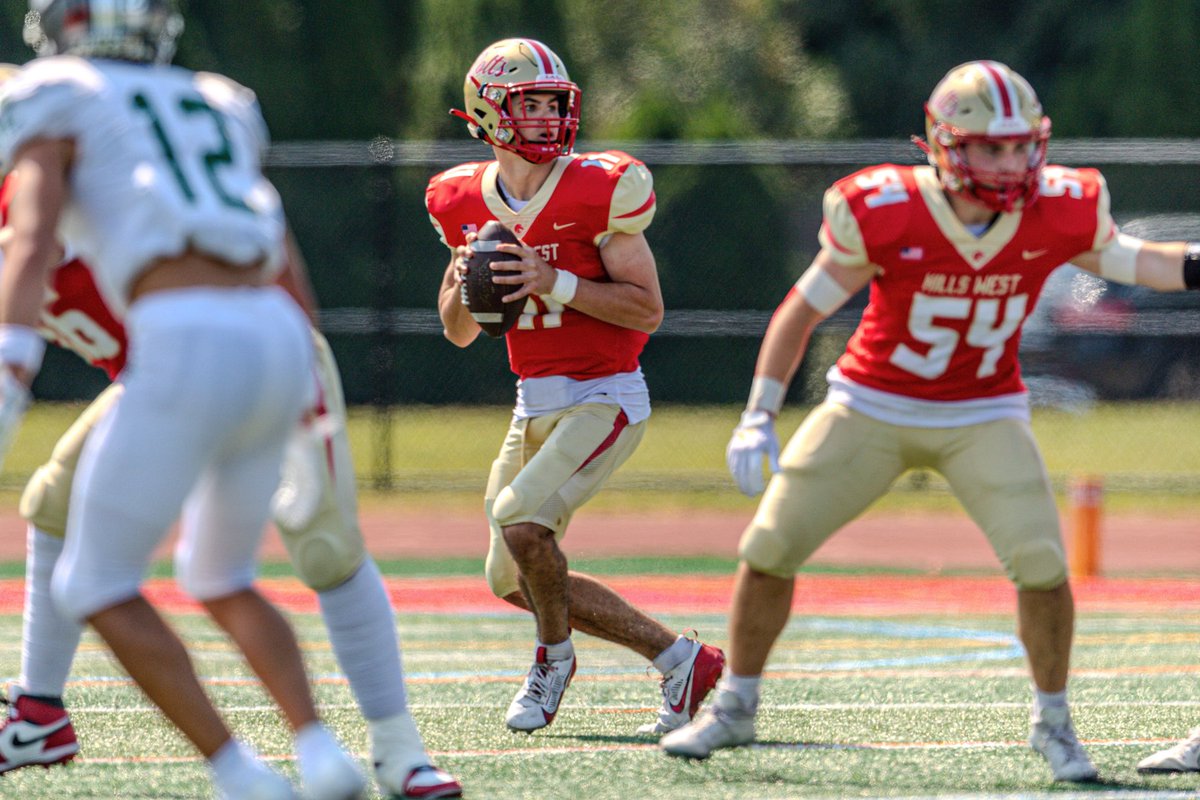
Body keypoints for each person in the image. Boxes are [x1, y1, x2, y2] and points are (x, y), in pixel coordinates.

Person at [660, 59, 1200, 782]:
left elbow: (1141, 263)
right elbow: (802, 309)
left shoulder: (1060, 204)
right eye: (990, 147)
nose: (1010, 164)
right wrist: (758, 413)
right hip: (872, 402)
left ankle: (1054, 722)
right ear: (944, 145)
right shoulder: (886, 206)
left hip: (984, 409)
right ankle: (736, 704)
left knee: (1042, 563)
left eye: (1020, 146)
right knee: (770, 543)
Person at [0, 3, 364, 797]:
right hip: (271, 329)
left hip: (180, 334)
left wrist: (10, 370)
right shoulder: (212, 95)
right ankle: (322, 752)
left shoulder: (53, 94)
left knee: (93, 583)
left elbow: (30, 240)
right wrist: (308, 393)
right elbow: (281, 252)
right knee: (220, 572)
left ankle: (241, 775)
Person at [0, 178, 462, 799]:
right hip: (155, 381)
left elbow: (40, 247)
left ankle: (401, 751)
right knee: (54, 499)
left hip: (253, 350)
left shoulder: (54, 196)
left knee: (323, 548)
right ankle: (40, 713)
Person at [430, 38, 724, 735]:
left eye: (551, 104)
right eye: (528, 104)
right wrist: (466, 273)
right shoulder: (460, 199)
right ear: (489, 113)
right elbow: (458, 331)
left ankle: (552, 659)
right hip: (533, 401)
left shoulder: (601, 187)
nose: (544, 118)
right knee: (511, 574)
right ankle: (680, 659)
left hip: (605, 395)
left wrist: (550, 278)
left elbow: (647, 309)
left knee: (522, 520)